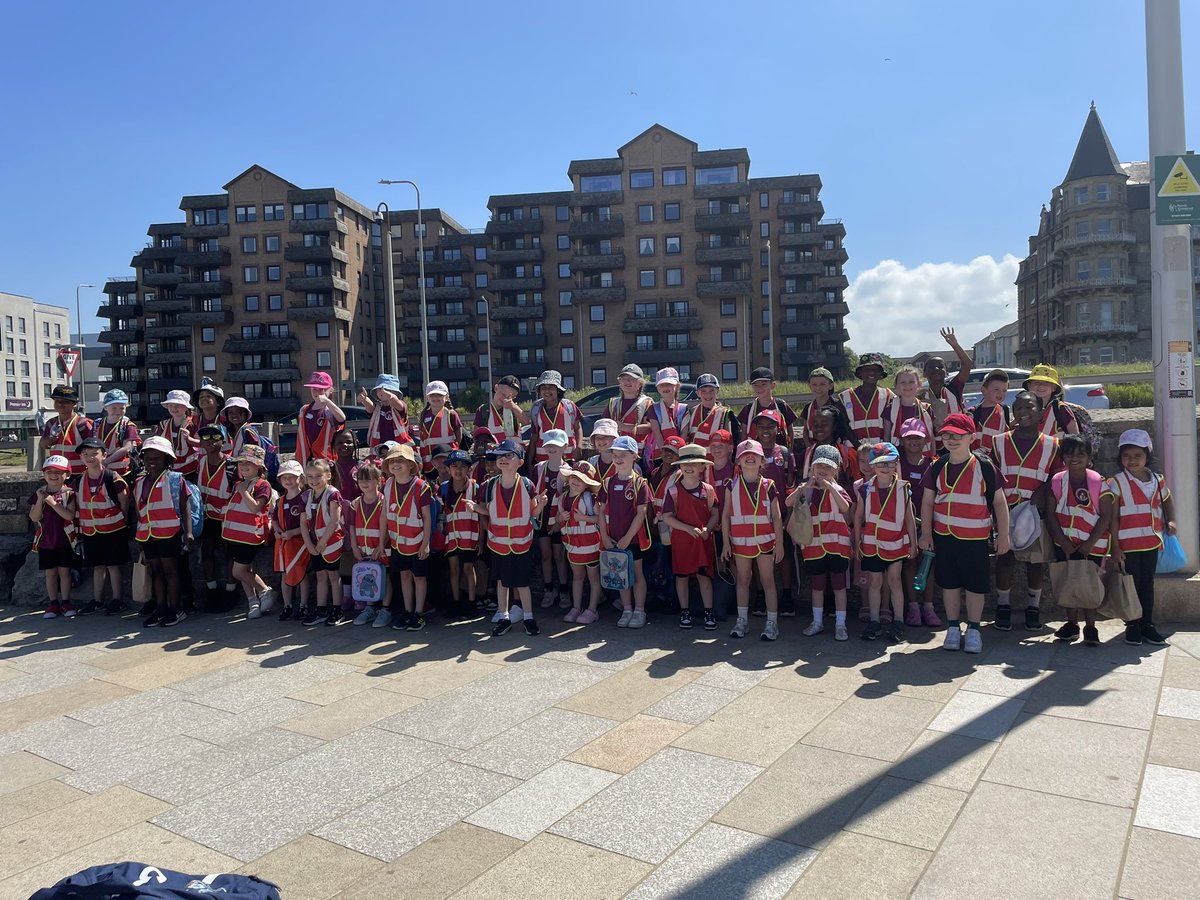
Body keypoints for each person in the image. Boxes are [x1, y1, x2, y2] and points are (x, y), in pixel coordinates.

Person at [918, 413, 1010, 654]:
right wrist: (926, 533)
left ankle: (974, 629)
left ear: (972, 437)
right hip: (944, 537)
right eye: (947, 435)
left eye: (958, 435)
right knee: (948, 584)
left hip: (975, 538)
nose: (952, 439)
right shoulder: (937, 465)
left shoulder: (985, 466)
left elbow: (1000, 503)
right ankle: (952, 627)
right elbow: (927, 503)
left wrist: (1004, 535)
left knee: (975, 586)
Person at [991, 391, 1059, 631]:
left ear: (1041, 412)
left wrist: (1043, 493)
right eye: (1018, 408)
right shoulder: (999, 441)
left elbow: (1058, 477)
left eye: (1029, 407)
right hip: (1007, 510)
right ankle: (1003, 606)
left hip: (1034, 511)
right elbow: (992, 475)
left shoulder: (1052, 444)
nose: (1023, 412)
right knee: (1005, 558)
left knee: (1035, 560)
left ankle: (1033, 607)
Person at [1107, 428, 1175, 646]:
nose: (1132, 460)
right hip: (1128, 545)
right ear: (1120, 458)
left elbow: (1167, 501)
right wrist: (1115, 547)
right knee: (1131, 585)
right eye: (1126, 456)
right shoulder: (1116, 482)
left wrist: (1171, 521)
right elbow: (1113, 517)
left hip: (1151, 542)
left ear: (1148, 456)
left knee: (1147, 584)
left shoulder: (1157, 480)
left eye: (1138, 456)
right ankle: (1133, 624)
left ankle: (1148, 623)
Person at [474, 438, 546, 636]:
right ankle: (503, 615)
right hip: (498, 544)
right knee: (501, 582)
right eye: (500, 456)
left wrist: (540, 505)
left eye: (508, 455)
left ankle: (529, 617)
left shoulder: (527, 485)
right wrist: (475, 508)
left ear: (520, 462)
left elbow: (533, 513)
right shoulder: (488, 486)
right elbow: (489, 510)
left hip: (521, 543)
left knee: (522, 583)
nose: (503, 459)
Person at [1046, 434, 1112, 647]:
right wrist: (1063, 542)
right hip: (1064, 543)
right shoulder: (1056, 481)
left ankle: (1091, 627)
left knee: (1089, 585)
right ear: (1062, 457)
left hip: (1091, 545)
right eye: (1069, 454)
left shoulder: (1098, 482)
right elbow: (1050, 514)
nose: (1074, 458)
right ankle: (1071, 624)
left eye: (1081, 454)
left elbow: (1106, 515)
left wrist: (1088, 544)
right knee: (1068, 581)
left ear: (1089, 457)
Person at [789, 444, 853, 640]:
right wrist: (804, 488)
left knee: (839, 586)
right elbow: (788, 503)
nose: (823, 471)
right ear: (812, 468)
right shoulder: (808, 489)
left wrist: (831, 488)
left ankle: (840, 624)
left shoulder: (839, 488)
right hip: (814, 546)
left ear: (836, 470)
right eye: (819, 467)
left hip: (837, 547)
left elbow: (845, 509)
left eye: (828, 467)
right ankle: (817, 621)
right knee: (817, 586)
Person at [722, 439, 784, 640]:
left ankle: (772, 623)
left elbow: (777, 517)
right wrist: (725, 543)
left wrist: (780, 544)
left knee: (767, 581)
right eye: (744, 455)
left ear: (761, 461)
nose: (749, 457)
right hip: (740, 543)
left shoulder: (769, 485)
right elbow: (725, 516)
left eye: (754, 455)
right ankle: (742, 621)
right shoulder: (731, 486)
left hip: (765, 542)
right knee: (743, 580)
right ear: (738, 461)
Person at [855, 442, 917, 641]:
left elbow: (909, 517)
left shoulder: (903, 488)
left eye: (890, 463)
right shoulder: (865, 488)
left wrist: (913, 543)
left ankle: (898, 621)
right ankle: (874, 621)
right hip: (872, 544)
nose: (885, 467)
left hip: (896, 543)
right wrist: (857, 541)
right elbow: (858, 517)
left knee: (895, 581)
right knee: (875, 582)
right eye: (880, 463)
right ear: (873, 465)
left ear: (896, 464)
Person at [133, 436, 192, 628]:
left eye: (156, 457)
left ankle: (175, 609)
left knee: (171, 571)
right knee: (155, 571)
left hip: (169, 532)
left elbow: (185, 508)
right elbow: (139, 508)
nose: (151, 460)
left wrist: (188, 532)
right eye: (147, 456)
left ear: (167, 459)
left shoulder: (175, 480)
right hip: (147, 534)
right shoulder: (140, 481)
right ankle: (160, 607)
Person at [598, 435, 653, 628]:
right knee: (619, 574)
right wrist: (604, 535)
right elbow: (600, 511)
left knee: (637, 573)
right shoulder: (608, 482)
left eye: (623, 454)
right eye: (615, 455)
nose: (618, 458)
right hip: (613, 537)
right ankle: (627, 608)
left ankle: (639, 610)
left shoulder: (640, 484)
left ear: (634, 456)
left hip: (634, 539)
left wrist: (627, 538)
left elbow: (642, 513)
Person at [662, 443, 719, 630]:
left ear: (702, 467)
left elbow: (715, 514)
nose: (688, 467)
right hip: (682, 541)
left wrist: (708, 529)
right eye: (685, 463)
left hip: (703, 541)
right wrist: (687, 529)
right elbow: (667, 517)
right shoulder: (673, 491)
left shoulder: (708, 490)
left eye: (694, 463)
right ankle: (684, 611)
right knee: (682, 576)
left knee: (704, 576)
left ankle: (708, 612)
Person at [73, 438, 130, 616]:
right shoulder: (78, 481)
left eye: (94, 454)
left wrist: (122, 519)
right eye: (86, 454)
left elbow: (124, 502)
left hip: (113, 528)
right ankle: (98, 600)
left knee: (113, 566)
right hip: (90, 530)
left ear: (104, 455)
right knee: (97, 566)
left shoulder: (112, 477)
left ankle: (117, 599)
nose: (90, 458)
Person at [381, 443, 433, 631]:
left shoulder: (421, 487)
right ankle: (408, 610)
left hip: (417, 542)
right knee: (404, 577)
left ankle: (418, 613)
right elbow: (384, 515)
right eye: (392, 461)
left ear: (411, 464)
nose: (396, 464)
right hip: (397, 543)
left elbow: (427, 518)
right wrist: (382, 541)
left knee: (419, 577)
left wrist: (426, 544)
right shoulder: (387, 484)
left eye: (401, 461)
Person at [222, 446, 275, 618]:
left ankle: (265, 591)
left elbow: (256, 508)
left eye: (249, 463)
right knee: (245, 570)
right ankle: (252, 601)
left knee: (238, 572)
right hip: (235, 534)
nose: (244, 467)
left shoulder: (263, 485)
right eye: (241, 463)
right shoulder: (238, 483)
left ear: (258, 466)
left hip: (250, 535)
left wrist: (244, 491)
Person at [753, 409, 797, 616]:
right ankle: (760, 595)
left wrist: (788, 514)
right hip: (755, 515)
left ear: (778, 428)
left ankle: (787, 595)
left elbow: (790, 484)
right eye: (761, 426)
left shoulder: (785, 453)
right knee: (756, 555)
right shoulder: (751, 452)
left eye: (770, 426)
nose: (765, 430)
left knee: (784, 554)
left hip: (780, 513)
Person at [897, 418, 940, 627]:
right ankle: (913, 607)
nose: (913, 441)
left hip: (928, 523)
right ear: (902, 440)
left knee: (928, 564)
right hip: (903, 522)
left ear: (926, 440)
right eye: (909, 437)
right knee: (910, 563)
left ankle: (929, 606)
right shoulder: (896, 463)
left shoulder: (934, 463)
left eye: (918, 437)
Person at [30, 454, 79, 619]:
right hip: (46, 541)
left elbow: (69, 516)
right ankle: (53, 603)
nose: (53, 475)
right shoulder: (39, 493)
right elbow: (34, 517)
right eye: (49, 472)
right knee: (50, 573)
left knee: (65, 572)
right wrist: (40, 500)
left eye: (58, 472)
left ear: (67, 474)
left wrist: (52, 503)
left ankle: (66, 601)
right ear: (44, 474)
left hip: (65, 540)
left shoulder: (69, 493)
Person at [195, 424, 237, 612]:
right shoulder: (200, 462)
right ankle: (211, 590)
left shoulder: (232, 465)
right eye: (205, 437)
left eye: (215, 437)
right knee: (207, 551)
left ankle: (230, 590)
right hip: (207, 518)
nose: (210, 441)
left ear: (223, 441)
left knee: (230, 553)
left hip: (227, 518)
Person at [556, 461, 603, 625]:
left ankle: (592, 609)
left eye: (581, 479)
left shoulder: (589, 499)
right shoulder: (562, 498)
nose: (576, 481)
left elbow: (600, 519)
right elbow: (557, 519)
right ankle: (576, 607)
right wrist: (560, 518)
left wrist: (584, 518)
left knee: (593, 577)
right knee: (577, 577)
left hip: (591, 546)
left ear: (587, 484)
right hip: (572, 547)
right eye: (574, 477)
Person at [300, 458, 344, 627]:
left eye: (318, 476)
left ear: (328, 476)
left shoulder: (332, 494)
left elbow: (334, 520)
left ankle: (337, 609)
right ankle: (321, 609)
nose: (314, 480)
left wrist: (323, 541)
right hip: (314, 542)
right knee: (320, 576)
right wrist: (309, 544)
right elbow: (303, 523)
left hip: (330, 541)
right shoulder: (306, 496)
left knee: (333, 575)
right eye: (310, 476)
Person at [438, 450, 481, 619]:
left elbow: (481, 514)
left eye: (463, 466)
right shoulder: (443, 488)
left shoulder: (475, 487)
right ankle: (456, 603)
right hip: (451, 537)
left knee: (469, 569)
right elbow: (441, 514)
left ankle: (471, 603)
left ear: (469, 469)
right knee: (454, 569)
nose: (458, 470)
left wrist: (482, 539)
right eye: (454, 466)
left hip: (470, 536)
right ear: (448, 469)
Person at [347, 463, 389, 625]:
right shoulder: (355, 503)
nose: (365, 483)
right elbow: (351, 526)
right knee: (367, 578)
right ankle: (370, 608)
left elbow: (388, 526)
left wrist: (381, 545)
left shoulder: (383, 501)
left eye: (369, 479)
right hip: (363, 549)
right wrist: (355, 547)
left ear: (379, 480)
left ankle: (385, 610)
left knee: (385, 578)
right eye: (361, 479)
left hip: (382, 549)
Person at [533, 429, 569, 610]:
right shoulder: (539, 468)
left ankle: (564, 591)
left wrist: (558, 522)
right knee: (545, 556)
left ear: (565, 447)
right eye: (549, 446)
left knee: (559, 556)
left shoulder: (570, 470)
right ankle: (549, 589)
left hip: (560, 522)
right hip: (542, 520)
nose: (552, 449)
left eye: (556, 446)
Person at [272, 460, 309, 621]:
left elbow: (310, 524)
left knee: (303, 575)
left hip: (301, 544)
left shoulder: (306, 497)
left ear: (300, 478)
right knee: (284, 575)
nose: (288, 480)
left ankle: (304, 606)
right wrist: (278, 531)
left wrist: (293, 532)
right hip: (284, 544)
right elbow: (274, 519)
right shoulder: (280, 500)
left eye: (291, 477)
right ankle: (287, 605)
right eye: (284, 477)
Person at [921, 327, 973, 432]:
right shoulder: (920, 396)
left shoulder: (954, 388)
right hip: (933, 445)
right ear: (924, 373)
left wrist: (955, 344)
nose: (936, 369)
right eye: (931, 367)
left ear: (947, 372)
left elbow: (967, 364)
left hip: (955, 442)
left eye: (940, 366)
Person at [528, 370, 583, 465]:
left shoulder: (569, 406)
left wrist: (579, 446)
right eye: (543, 388)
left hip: (568, 457)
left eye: (551, 388)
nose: (547, 391)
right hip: (543, 458)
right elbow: (534, 436)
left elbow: (578, 428)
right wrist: (529, 461)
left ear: (558, 390)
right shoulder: (536, 408)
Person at [838, 354, 894, 443]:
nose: (871, 373)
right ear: (860, 373)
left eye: (876, 370)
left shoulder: (889, 396)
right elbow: (843, 426)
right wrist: (858, 447)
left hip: (880, 451)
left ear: (881, 374)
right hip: (853, 451)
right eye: (867, 370)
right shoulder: (845, 397)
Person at [738, 367, 798, 449]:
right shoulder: (748, 408)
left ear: (773, 385)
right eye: (756, 385)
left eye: (763, 384)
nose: (760, 388)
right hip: (756, 454)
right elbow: (744, 434)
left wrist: (789, 451)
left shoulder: (781, 405)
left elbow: (790, 431)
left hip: (779, 453)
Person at [40, 385, 94, 477]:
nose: (60, 404)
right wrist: (47, 441)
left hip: (80, 473)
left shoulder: (83, 424)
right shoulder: (51, 423)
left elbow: (94, 448)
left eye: (65, 402)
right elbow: (42, 444)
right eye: (57, 401)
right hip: (58, 474)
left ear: (74, 404)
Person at [296, 371, 347, 466]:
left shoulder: (330, 410)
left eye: (321, 389)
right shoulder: (304, 410)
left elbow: (342, 418)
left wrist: (327, 401)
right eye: (314, 389)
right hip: (305, 462)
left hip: (326, 463)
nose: (317, 392)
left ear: (330, 390)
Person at [644, 367, 689, 462]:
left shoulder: (684, 409)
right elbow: (657, 434)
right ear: (657, 388)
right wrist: (666, 456)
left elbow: (684, 435)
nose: (665, 388)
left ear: (677, 386)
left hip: (679, 454)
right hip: (660, 456)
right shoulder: (653, 409)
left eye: (668, 384)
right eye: (661, 385)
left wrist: (677, 453)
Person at [416, 381, 462, 473]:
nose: (436, 398)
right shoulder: (423, 415)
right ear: (427, 397)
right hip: (429, 463)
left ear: (446, 397)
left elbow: (459, 437)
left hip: (447, 461)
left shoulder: (451, 414)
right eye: (432, 395)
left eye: (439, 395)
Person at [882, 365, 935, 447]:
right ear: (896, 385)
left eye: (911, 382)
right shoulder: (890, 409)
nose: (907, 385)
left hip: (922, 455)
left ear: (919, 384)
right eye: (903, 382)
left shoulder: (926, 409)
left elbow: (931, 437)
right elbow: (886, 438)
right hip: (898, 455)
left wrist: (933, 457)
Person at [1023, 364, 1080, 436]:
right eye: (1036, 382)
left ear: (1054, 388)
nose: (1041, 386)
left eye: (1046, 383)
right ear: (1029, 386)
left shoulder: (1061, 409)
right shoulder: (1022, 408)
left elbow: (1076, 437)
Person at [95, 389, 140, 477]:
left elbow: (127, 448)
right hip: (100, 471)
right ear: (105, 407)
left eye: (122, 408)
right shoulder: (97, 424)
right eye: (114, 408)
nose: (118, 411)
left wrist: (106, 461)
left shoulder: (128, 425)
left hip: (122, 472)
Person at [684, 373, 736, 448]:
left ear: (717, 391)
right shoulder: (691, 412)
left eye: (711, 390)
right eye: (703, 391)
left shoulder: (724, 414)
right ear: (697, 393)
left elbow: (729, 442)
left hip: (716, 458)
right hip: (694, 458)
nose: (707, 394)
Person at [359, 373, 410, 449]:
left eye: (387, 389)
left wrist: (390, 396)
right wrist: (364, 399)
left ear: (396, 393)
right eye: (379, 389)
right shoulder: (377, 408)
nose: (382, 392)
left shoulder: (399, 406)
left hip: (398, 447)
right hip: (379, 447)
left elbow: (397, 404)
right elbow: (370, 407)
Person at [474, 374, 528, 444]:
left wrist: (514, 407)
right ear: (496, 388)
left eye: (509, 397)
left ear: (514, 398)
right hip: (492, 449)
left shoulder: (514, 409)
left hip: (511, 450)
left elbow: (526, 423)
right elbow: (476, 433)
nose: (504, 398)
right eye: (502, 394)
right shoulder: (483, 410)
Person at [798, 367, 845, 446]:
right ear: (810, 386)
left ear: (830, 385)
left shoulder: (838, 405)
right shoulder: (808, 407)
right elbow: (806, 430)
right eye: (814, 384)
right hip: (813, 446)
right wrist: (809, 446)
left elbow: (844, 428)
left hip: (835, 446)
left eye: (822, 384)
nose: (818, 388)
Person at [156, 390, 198, 478]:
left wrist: (189, 439)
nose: (174, 408)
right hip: (168, 470)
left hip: (191, 470)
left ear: (186, 407)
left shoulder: (193, 423)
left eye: (178, 405)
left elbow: (201, 444)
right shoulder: (163, 424)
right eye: (171, 405)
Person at [607, 365, 652, 446]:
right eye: (624, 379)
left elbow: (650, 427)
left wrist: (623, 427)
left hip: (638, 450)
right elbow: (604, 424)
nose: (627, 382)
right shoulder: (613, 402)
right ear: (620, 382)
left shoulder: (647, 402)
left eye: (632, 379)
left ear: (640, 384)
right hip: (616, 450)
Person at [970, 369, 1012, 453]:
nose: (1001, 393)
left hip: (996, 459)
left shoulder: (1004, 410)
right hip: (976, 459)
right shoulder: (973, 412)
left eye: (1004, 390)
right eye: (996, 389)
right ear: (984, 390)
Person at [330, 429, 363, 503]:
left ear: (355, 444)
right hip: (336, 510)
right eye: (340, 443)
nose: (344, 445)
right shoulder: (330, 468)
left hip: (357, 509)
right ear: (333, 446)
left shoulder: (362, 467)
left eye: (348, 442)